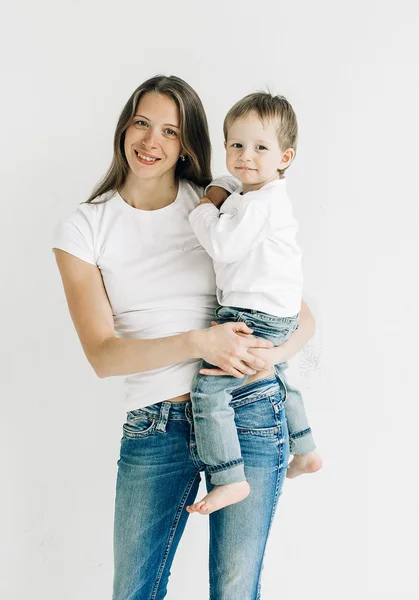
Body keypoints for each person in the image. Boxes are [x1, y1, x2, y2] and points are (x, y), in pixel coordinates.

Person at [53, 75, 316, 600]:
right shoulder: (85, 226)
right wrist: (201, 343)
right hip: (157, 423)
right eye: (142, 123)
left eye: (170, 131)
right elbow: (103, 356)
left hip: (248, 411)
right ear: (124, 127)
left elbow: (298, 310)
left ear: (188, 142)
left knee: (236, 592)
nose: (152, 142)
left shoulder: (218, 206)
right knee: (133, 591)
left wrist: (271, 356)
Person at [187, 92, 323, 515]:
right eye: (236, 145)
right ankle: (304, 449)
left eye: (260, 148)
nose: (246, 156)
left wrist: (204, 208)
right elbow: (235, 188)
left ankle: (229, 477)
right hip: (278, 314)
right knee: (273, 371)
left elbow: (222, 245)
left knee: (209, 390)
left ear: (286, 156)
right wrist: (225, 187)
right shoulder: (259, 196)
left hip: (251, 314)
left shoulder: (258, 205)